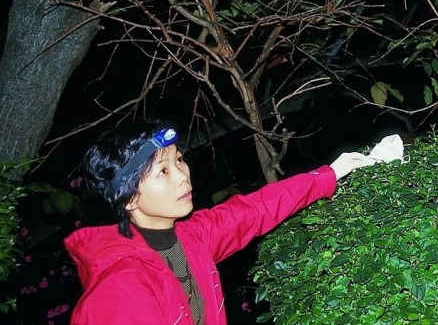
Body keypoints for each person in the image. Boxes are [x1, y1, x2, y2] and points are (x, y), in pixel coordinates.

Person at [63, 117, 380, 324]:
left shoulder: (191, 238)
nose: (183, 176)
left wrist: (332, 172)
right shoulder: (119, 290)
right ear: (130, 198)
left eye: (179, 160)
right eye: (163, 171)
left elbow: (254, 210)